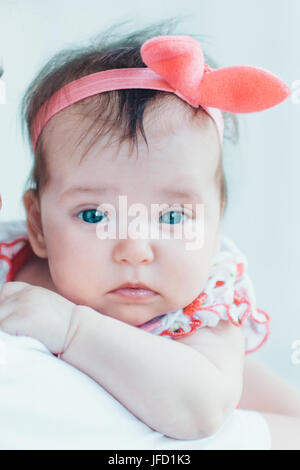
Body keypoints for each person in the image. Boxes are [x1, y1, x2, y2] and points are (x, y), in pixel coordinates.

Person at [0, 21, 299, 450]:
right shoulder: (15, 263)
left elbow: (201, 412)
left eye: (174, 217)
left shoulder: (204, 309)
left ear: (216, 226)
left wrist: (73, 329)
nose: (135, 250)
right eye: (93, 214)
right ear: (38, 225)